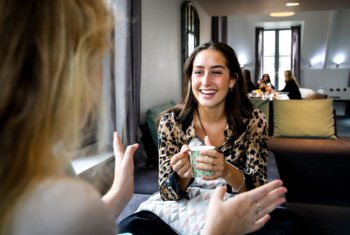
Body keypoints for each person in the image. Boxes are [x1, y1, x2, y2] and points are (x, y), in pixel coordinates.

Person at [0, 2, 286, 234]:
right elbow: (166, 191)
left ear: (233, 80)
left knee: (288, 226)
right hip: (182, 208)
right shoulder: (172, 122)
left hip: (231, 203)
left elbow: (258, 188)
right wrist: (181, 179)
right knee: (134, 225)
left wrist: (227, 171)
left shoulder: (253, 121)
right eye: (198, 72)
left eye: (216, 72)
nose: (205, 81)